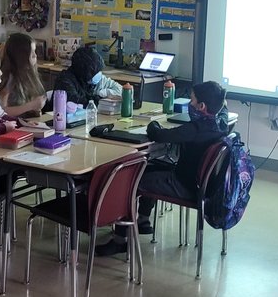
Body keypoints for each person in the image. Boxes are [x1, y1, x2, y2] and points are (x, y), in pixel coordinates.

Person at [94, 80, 228, 257]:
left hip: (183, 185)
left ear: (202, 106)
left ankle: (120, 241)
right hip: (199, 184)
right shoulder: (220, 124)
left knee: (130, 181)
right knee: (148, 167)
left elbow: (158, 134)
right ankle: (142, 220)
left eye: (193, 100)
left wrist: (153, 124)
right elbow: (222, 112)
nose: (190, 104)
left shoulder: (194, 129)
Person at [0, 33, 49, 119]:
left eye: (35, 51)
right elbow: (2, 112)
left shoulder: (28, 74)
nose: (35, 55)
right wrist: (31, 106)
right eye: (31, 52)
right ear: (20, 55)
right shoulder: (9, 78)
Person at [53, 45, 122, 107]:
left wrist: (105, 93)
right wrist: (100, 99)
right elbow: (76, 102)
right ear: (83, 71)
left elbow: (121, 90)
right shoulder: (64, 80)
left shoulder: (92, 80)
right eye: (94, 72)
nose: (98, 74)